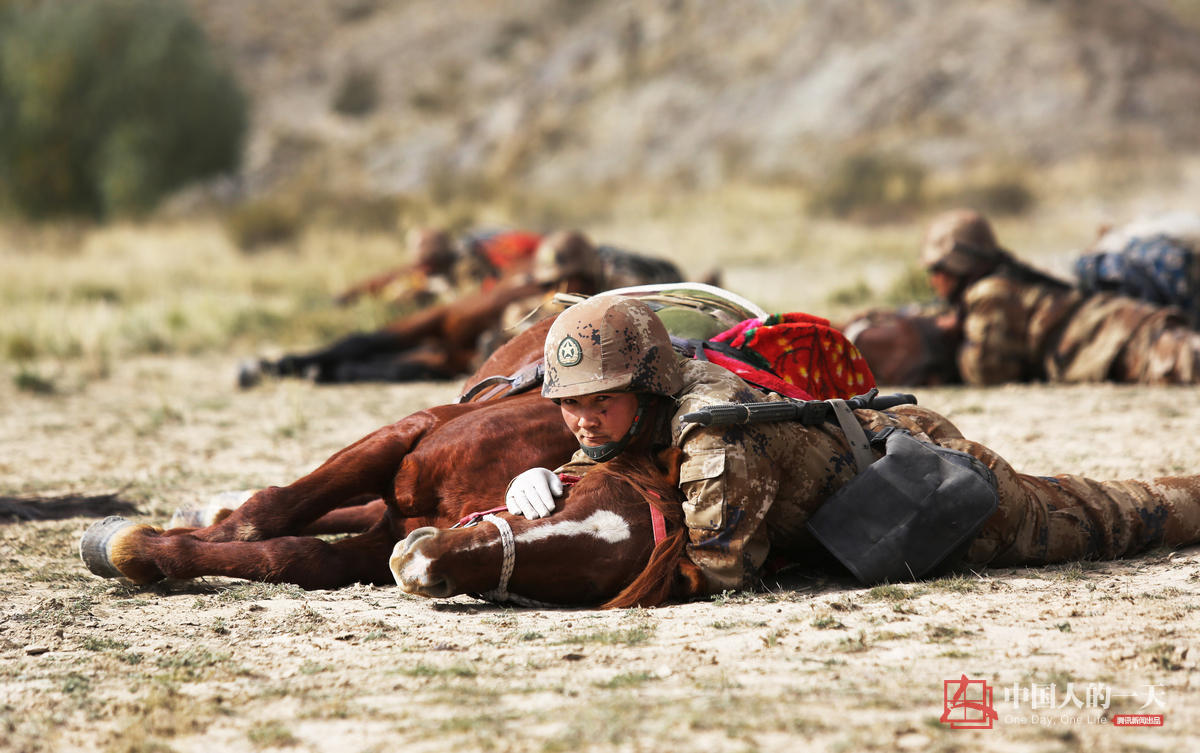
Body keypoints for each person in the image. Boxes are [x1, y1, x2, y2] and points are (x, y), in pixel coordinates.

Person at [504, 295, 1200, 595]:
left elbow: (718, 571)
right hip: (881, 478)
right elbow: (610, 458)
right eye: (569, 405)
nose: (584, 420)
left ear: (649, 384)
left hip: (934, 492)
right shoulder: (643, 406)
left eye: (601, 401)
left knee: (1114, 515)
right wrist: (546, 481)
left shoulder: (713, 437)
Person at [917, 208, 1200, 385]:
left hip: (1121, 340)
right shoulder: (1008, 281)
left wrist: (953, 337)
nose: (933, 280)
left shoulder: (989, 293)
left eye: (935, 269)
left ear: (956, 266)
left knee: (1189, 362)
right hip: (1124, 332)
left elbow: (987, 372)